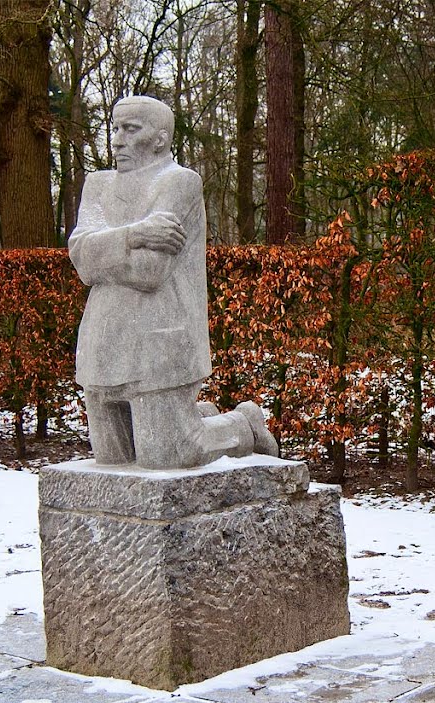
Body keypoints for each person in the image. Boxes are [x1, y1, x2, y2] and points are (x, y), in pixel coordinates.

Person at [69, 95, 278, 469]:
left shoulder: (179, 182)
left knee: (167, 456)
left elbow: (149, 272)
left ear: (161, 139)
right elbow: (82, 260)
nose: (117, 139)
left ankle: (242, 424)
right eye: (115, 128)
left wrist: (104, 251)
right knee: (111, 460)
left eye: (130, 129)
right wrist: (135, 234)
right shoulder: (97, 186)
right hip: (101, 345)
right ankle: (191, 416)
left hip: (158, 344)